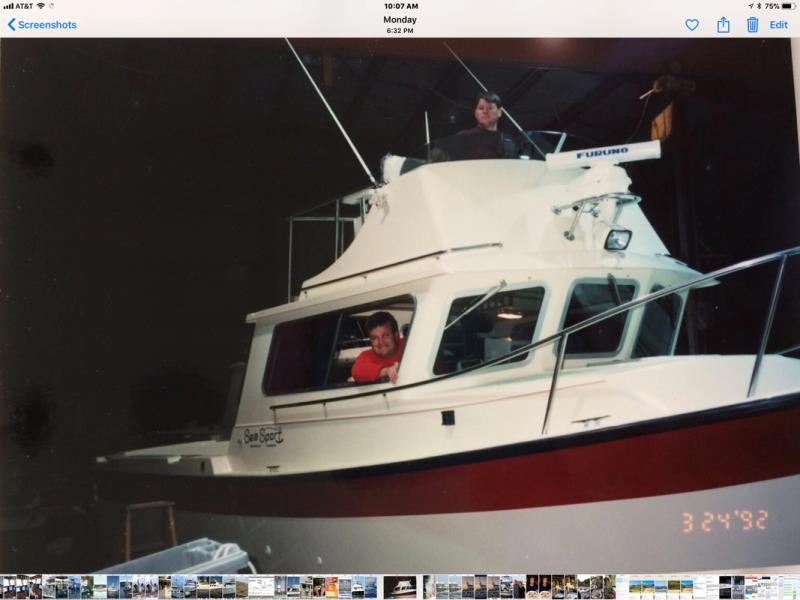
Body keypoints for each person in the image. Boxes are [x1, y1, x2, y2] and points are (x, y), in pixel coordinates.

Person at [351, 311, 405, 384]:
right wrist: (386, 371)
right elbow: (356, 371)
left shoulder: (409, 344)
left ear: (396, 335)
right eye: (374, 338)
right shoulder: (367, 355)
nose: (381, 342)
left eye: (386, 335)